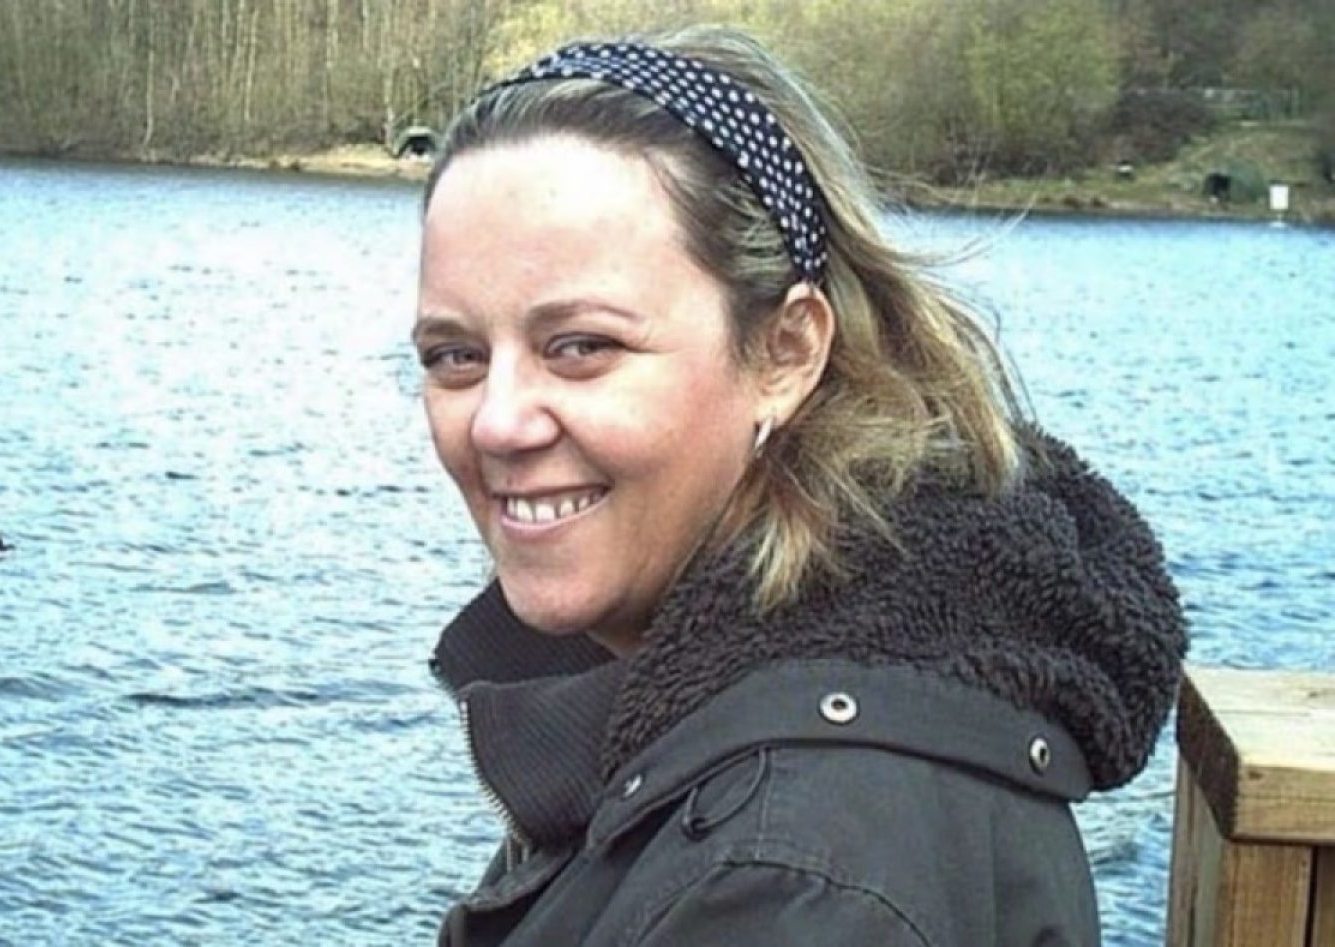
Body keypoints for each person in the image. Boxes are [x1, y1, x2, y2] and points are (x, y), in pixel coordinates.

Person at [414, 24, 1187, 946]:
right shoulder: (765, 689)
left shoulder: (791, 880)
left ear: (785, 352)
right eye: (453, 356)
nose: (499, 420)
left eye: (582, 347)